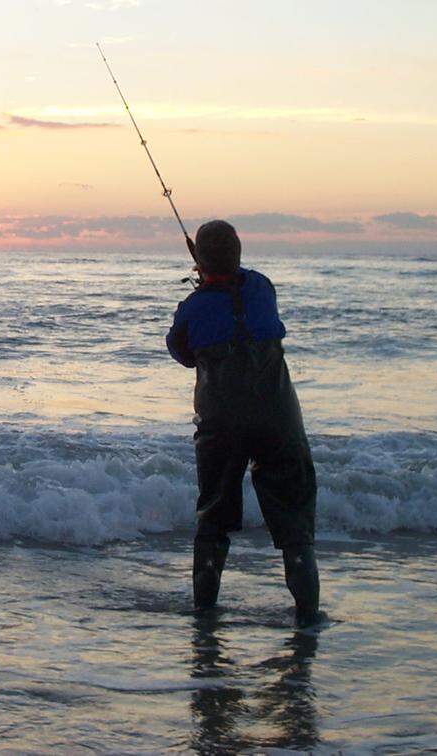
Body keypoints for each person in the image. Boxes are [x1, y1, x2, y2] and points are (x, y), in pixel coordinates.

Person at [166, 220, 320, 627]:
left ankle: (204, 617)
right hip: (280, 419)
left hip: (222, 425)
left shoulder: (192, 308)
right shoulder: (262, 288)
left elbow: (180, 351)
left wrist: (201, 289)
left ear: (199, 260)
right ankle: (308, 617)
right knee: (295, 525)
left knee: (214, 518)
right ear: (239, 252)